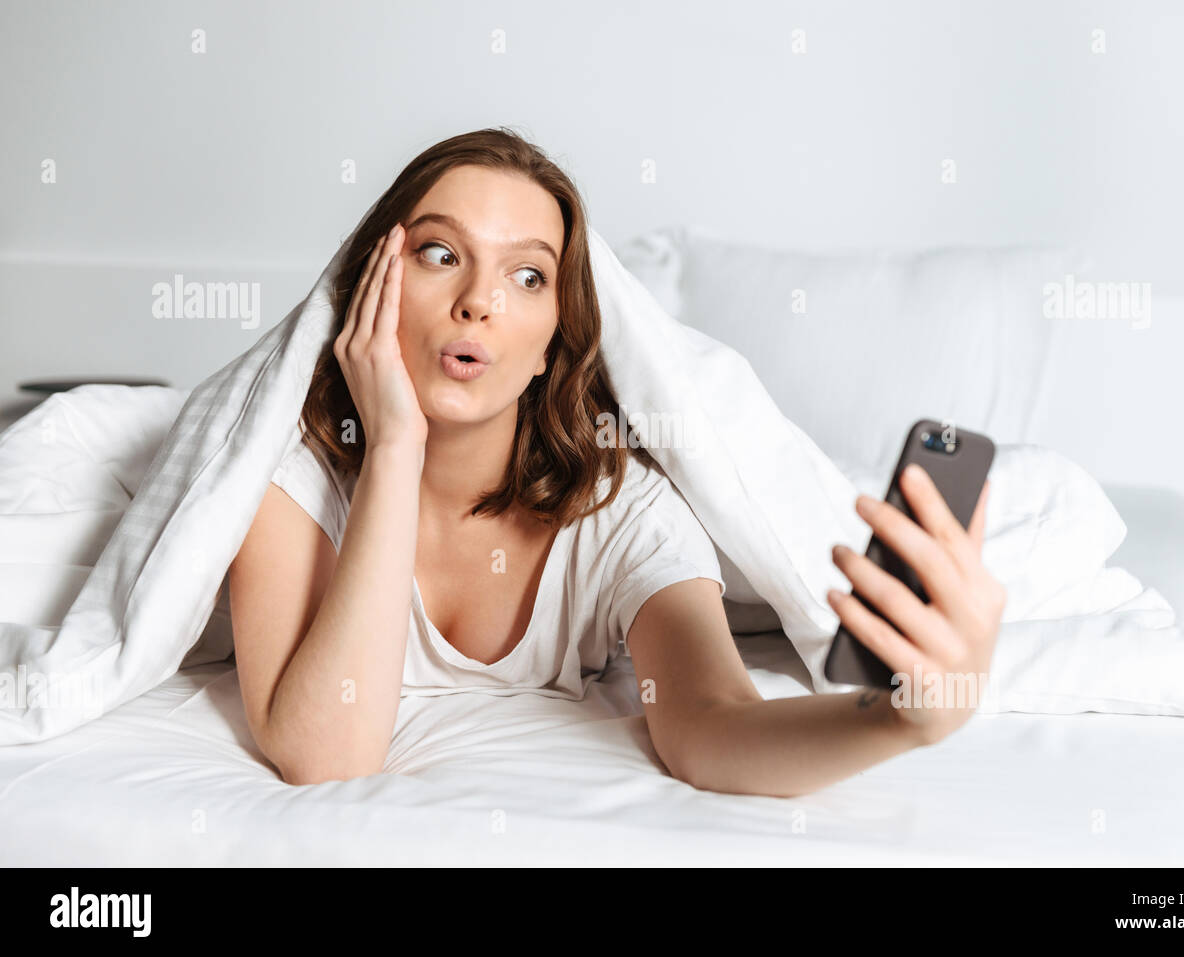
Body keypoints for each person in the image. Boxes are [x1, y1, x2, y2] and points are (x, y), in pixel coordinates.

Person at [227, 127, 1005, 795]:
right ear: (375, 287)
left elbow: (712, 724)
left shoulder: (619, 512)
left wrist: (901, 719)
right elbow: (326, 757)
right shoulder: (291, 477)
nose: (479, 301)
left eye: (526, 275)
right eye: (439, 253)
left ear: (547, 346)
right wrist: (394, 444)